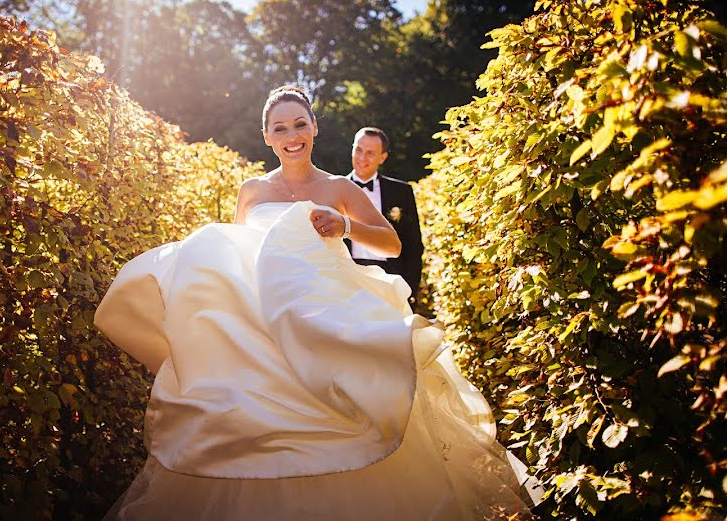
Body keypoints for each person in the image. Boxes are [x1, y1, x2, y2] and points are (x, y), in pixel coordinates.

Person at [94, 86, 538, 520]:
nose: (292, 135)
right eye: (280, 127)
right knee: (258, 412)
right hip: (265, 318)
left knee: (342, 404)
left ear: (315, 128)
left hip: (327, 307)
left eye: (299, 124)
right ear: (267, 136)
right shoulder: (251, 191)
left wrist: (345, 224)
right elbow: (238, 254)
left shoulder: (339, 187)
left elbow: (392, 243)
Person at [346, 127, 424, 305]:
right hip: (347, 277)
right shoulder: (333, 190)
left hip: (390, 278)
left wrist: (409, 289)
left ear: (383, 157)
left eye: (370, 153)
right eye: (358, 149)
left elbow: (413, 245)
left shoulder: (401, 192)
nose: (361, 158)